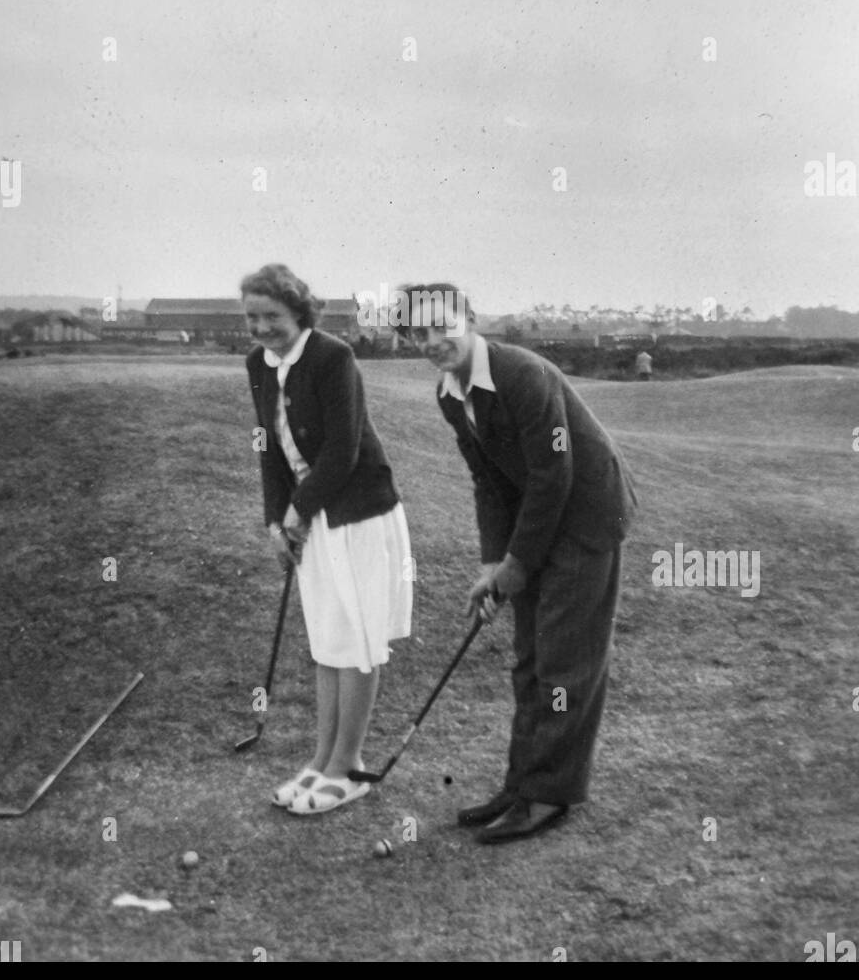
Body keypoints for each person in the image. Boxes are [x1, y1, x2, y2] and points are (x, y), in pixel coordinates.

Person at [394, 283, 637, 844]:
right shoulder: (450, 394)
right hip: (540, 516)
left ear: (470, 319)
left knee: (564, 661)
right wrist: (491, 563)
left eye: (442, 325)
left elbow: (556, 476)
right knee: (530, 660)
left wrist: (517, 565)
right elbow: (489, 481)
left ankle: (550, 794)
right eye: (418, 332)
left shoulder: (522, 373)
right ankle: (521, 785)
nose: (432, 341)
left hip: (586, 517)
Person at [243, 263, 413, 815]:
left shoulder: (333, 357)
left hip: (358, 512)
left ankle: (349, 766)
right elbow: (269, 449)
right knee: (329, 641)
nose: (262, 327)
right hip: (309, 517)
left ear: (298, 311)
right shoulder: (258, 364)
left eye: (272, 315)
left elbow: (343, 450)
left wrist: (298, 511)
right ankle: (321, 760)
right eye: (252, 317)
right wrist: (275, 520)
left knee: (359, 639)